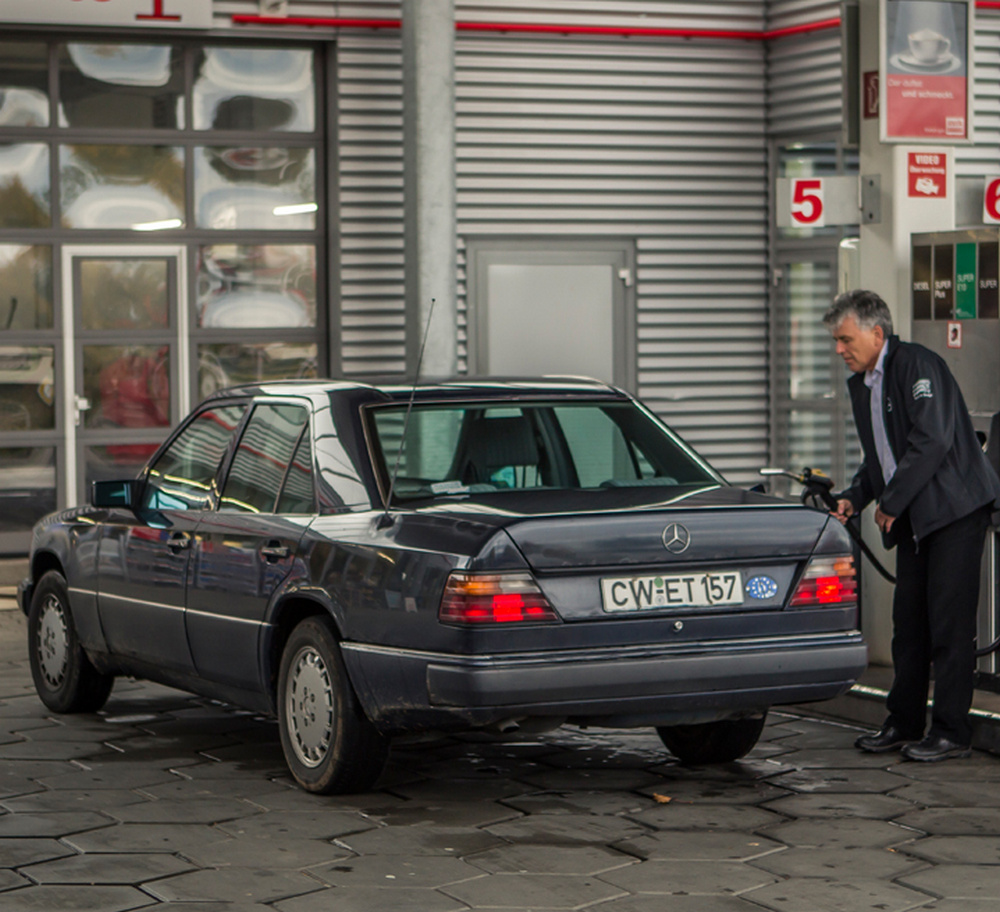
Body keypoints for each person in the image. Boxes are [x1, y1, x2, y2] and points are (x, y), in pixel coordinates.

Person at [824, 289, 1000, 762]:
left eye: (845, 339)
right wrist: (854, 497)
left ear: (876, 333)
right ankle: (902, 722)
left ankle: (951, 732)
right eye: (836, 342)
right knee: (909, 627)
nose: (839, 350)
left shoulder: (916, 365)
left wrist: (892, 503)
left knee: (949, 625)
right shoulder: (862, 384)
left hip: (954, 510)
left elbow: (933, 439)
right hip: (915, 519)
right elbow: (880, 459)